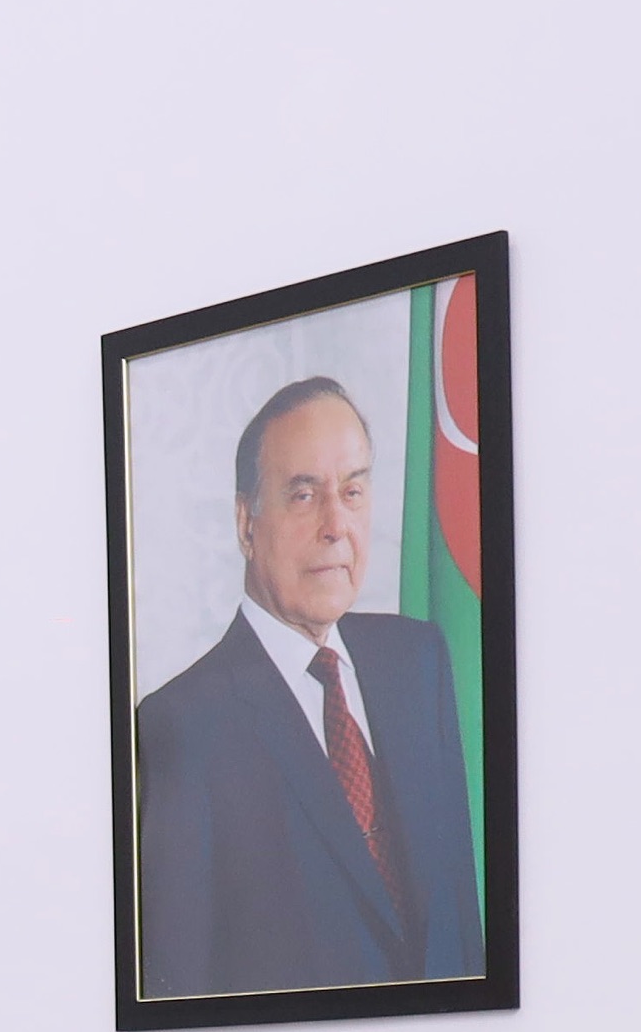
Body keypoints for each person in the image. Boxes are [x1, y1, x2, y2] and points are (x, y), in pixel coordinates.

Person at [131, 373, 484, 998]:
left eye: (352, 491)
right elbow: (177, 989)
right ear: (246, 523)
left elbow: (459, 917)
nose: (335, 524)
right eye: (303, 495)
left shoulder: (419, 661)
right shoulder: (180, 725)